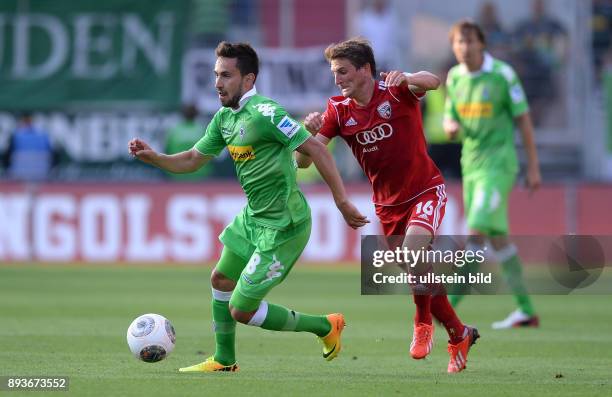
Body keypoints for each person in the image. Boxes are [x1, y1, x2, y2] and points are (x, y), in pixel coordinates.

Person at [129, 42, 369, 372]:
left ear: (248, 79)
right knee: (221, 280)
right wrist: (155, 158)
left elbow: (317, 150)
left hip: (284, 225)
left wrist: (342, 201)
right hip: (253, 218)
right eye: (216, 75)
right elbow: (193, 159)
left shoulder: (266, 113)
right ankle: (224, 360)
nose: (217, 83)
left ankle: (326, 326)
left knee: (241, 309)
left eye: (226, 75)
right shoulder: (225, 118)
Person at [296, 38, 478, 374]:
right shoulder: (338, 110)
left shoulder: (395, 91)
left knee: (412, 255)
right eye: (334, 73)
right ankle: (458, 333)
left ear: (365, 70)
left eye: (343, 72)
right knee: (415, 267)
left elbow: (434, 81)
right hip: (387, 206)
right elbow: (304, 163)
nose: (337, 79)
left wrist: (408, 76)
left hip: (426, 191)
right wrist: (306, 137)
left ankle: (422, 323)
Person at [443, 20, 542, 329]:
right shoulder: (454, 77)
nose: (464, 48)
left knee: (477, 231)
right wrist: (450, 126)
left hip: (498, 165)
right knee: (498, 240)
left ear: (481, 44)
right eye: (459, 42)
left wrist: (534, 167)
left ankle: (447, 307)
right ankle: (526, 309)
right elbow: (450, 114)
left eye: (470, 41)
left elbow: (523, 120)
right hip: (470, 165)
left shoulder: (502, 75)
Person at [164, 104, 213, 181]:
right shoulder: (203, 130)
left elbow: (167, 151)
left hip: (177, 174)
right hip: (200, 175)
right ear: (196, 114)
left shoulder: (174, 131)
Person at [4, 111, 55, 181]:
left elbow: (8, 154)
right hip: (42, 171)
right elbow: (52, 154)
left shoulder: (16, 134)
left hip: (19, 171)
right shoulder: (44, 134)